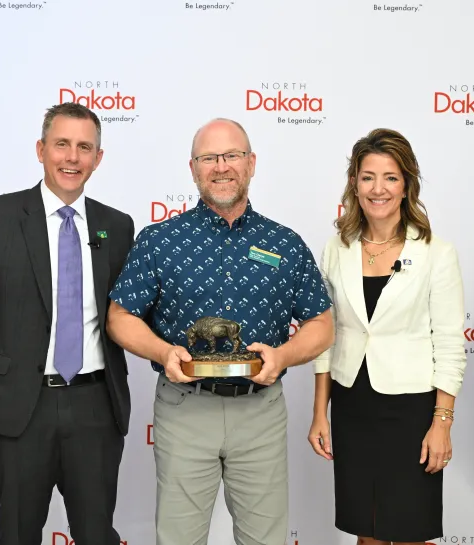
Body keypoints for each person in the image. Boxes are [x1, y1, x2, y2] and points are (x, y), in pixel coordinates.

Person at [106, 118, 335, 545]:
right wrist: (162, 352)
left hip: (261, 412)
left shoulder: (284, 243)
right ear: (193, 169)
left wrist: (283, 357)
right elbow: (120, 316)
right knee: (178, 539)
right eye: (209, 158)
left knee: (265, 539)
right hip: (185, 409)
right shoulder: (160, 240)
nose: (221, 166)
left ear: (251, 164)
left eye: (231, 156)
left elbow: (321, 324)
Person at [0, 102, 134, 545]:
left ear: (98, 159)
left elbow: (131, 314)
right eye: (62, 144)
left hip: (95, 408)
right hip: (17, 411)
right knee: (17, 534)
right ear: (40, 149)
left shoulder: (117, 226)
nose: (72, 157)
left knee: (96, 535)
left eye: (84, 147)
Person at [308, 128, 467, 545]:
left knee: (413, 531)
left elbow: (450, 344)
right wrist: (320, 412)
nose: (378, 188)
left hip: (412, 411)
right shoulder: (336, 247)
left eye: (390, 178)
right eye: (367, 177)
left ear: (406, 185)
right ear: (355, 185)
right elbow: (325, 335)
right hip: (352, 405)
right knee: (368, 531)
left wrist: (442, 422)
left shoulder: (436, 251)